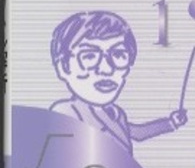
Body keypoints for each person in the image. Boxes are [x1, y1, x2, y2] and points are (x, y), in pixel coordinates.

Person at [50, 10, 187, 154]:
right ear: (63, 67)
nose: (106, 69)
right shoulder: (67, 112)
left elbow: (137, 133)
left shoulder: (116, 113)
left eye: (118, 54)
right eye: (89, 56)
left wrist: (170, 123)